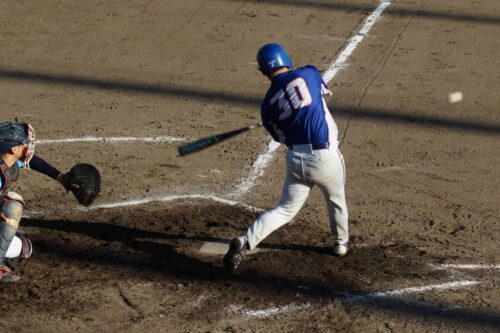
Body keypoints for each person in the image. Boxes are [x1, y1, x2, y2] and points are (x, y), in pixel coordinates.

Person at [223, 43, 349, 274]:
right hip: (326, 156)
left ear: (263, 72)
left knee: (284, 210)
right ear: (287, 60)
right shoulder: (309, 73)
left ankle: (245, 241)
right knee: (335, 199)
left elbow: (281, 137)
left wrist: (285, 116)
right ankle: (340, 243)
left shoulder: (267, 108)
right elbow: (320, 93)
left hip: (296, 160)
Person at [0, 121, 78, 282]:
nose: (28, 147)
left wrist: (60, 177)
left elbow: (33, 161)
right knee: (11, 206)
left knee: (22, 246)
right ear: (14, 149)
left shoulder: (8, 159)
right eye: (25, 144)